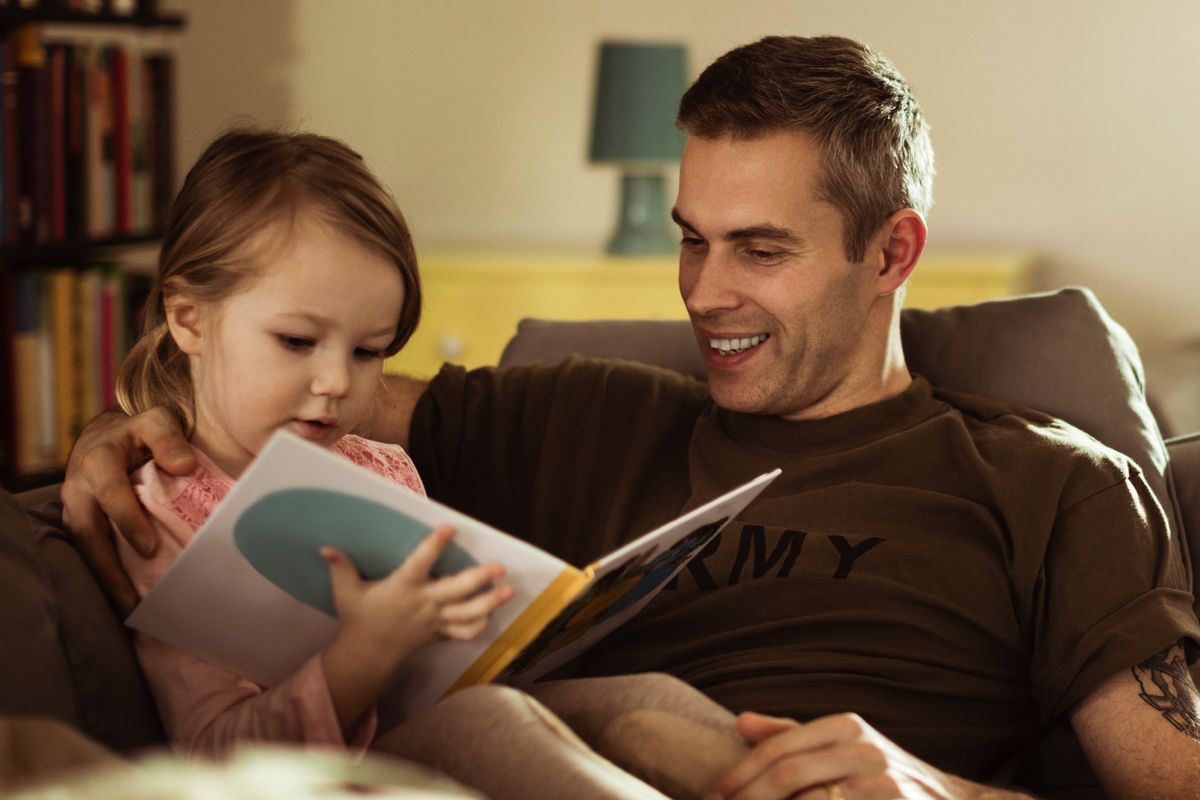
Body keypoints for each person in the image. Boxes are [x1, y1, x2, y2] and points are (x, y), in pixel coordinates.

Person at [63, 37, 1200, 799]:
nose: (705, 292)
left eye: (759, 249)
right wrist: (128, 429)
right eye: (690, 236)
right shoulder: (588, 415)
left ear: (892, 250)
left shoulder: (1052, 479)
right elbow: (286, 398)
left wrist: (930, 789)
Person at [100, 127, 749, 800]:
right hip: (329, 781)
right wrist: (364, 654)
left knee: (647, 699)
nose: (335, 383)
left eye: (368, 351)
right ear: (187, 319)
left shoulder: (382, 469)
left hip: (433, 738)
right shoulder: (161, 516)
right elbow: (219, 761)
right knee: (486, 721)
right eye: (297, 341)